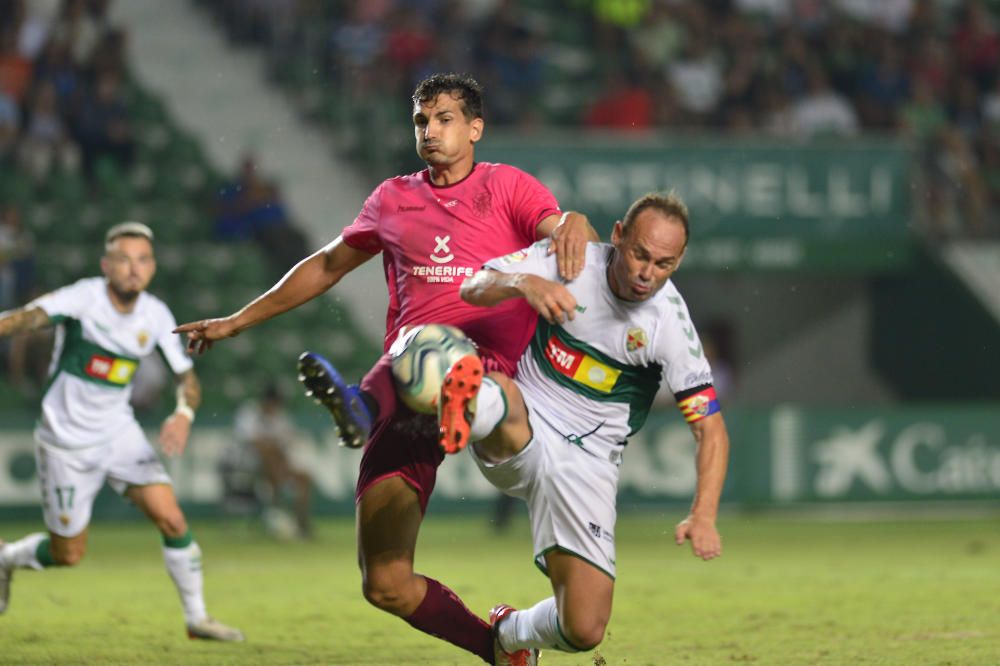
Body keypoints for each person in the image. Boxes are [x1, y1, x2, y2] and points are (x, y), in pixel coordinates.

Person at [174, 72, 596, 665]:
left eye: (445, 118)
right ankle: (499, 649)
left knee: (433, 348)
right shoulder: (393, 197)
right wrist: (235, 322)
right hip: (408, 388)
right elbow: (325, 265)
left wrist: (572, 220)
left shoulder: (508, 188)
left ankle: (367, 405)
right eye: (421, 120)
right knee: (385, 583)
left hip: (490, 376)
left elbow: (564, 235)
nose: (430, 130)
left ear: (475, 128)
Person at [436, 191, 731, 661]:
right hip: (526, 422)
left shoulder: (670, 324)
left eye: (663, 263)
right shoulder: (570, 260)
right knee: (500, 390)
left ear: (678, 262)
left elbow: (709, 429)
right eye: (639, 254)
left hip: (589, 465)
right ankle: (464, 403)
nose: (646, 273)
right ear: (617, 236)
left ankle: (509, 636)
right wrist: (522, 283)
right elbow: (473, 285)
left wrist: (705, 513)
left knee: (585, 627)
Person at [0, 221, 244, 642]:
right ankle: (6, 559)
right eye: (124, 259)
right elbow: (26, 319)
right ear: (106, 265)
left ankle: (197, 618)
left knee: (170, 517)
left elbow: (187, 380)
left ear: (152, 267)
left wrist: (183, 412)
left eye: (143, 259)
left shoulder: (156, 314)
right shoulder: (84, 297)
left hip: (119, 435)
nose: (134, 268)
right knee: (68, 553)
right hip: (65, 442)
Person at [231, 382, 313, 539]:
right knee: (268, 453)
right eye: (274, 402)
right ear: (267, 400)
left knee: (304, 477)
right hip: (245, 465)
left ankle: (301, 523)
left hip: (278, 466)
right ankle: (276, 511)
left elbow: (288, 442)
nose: (275, 406)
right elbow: (251, 442)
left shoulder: (281, 417)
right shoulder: (248, 412)